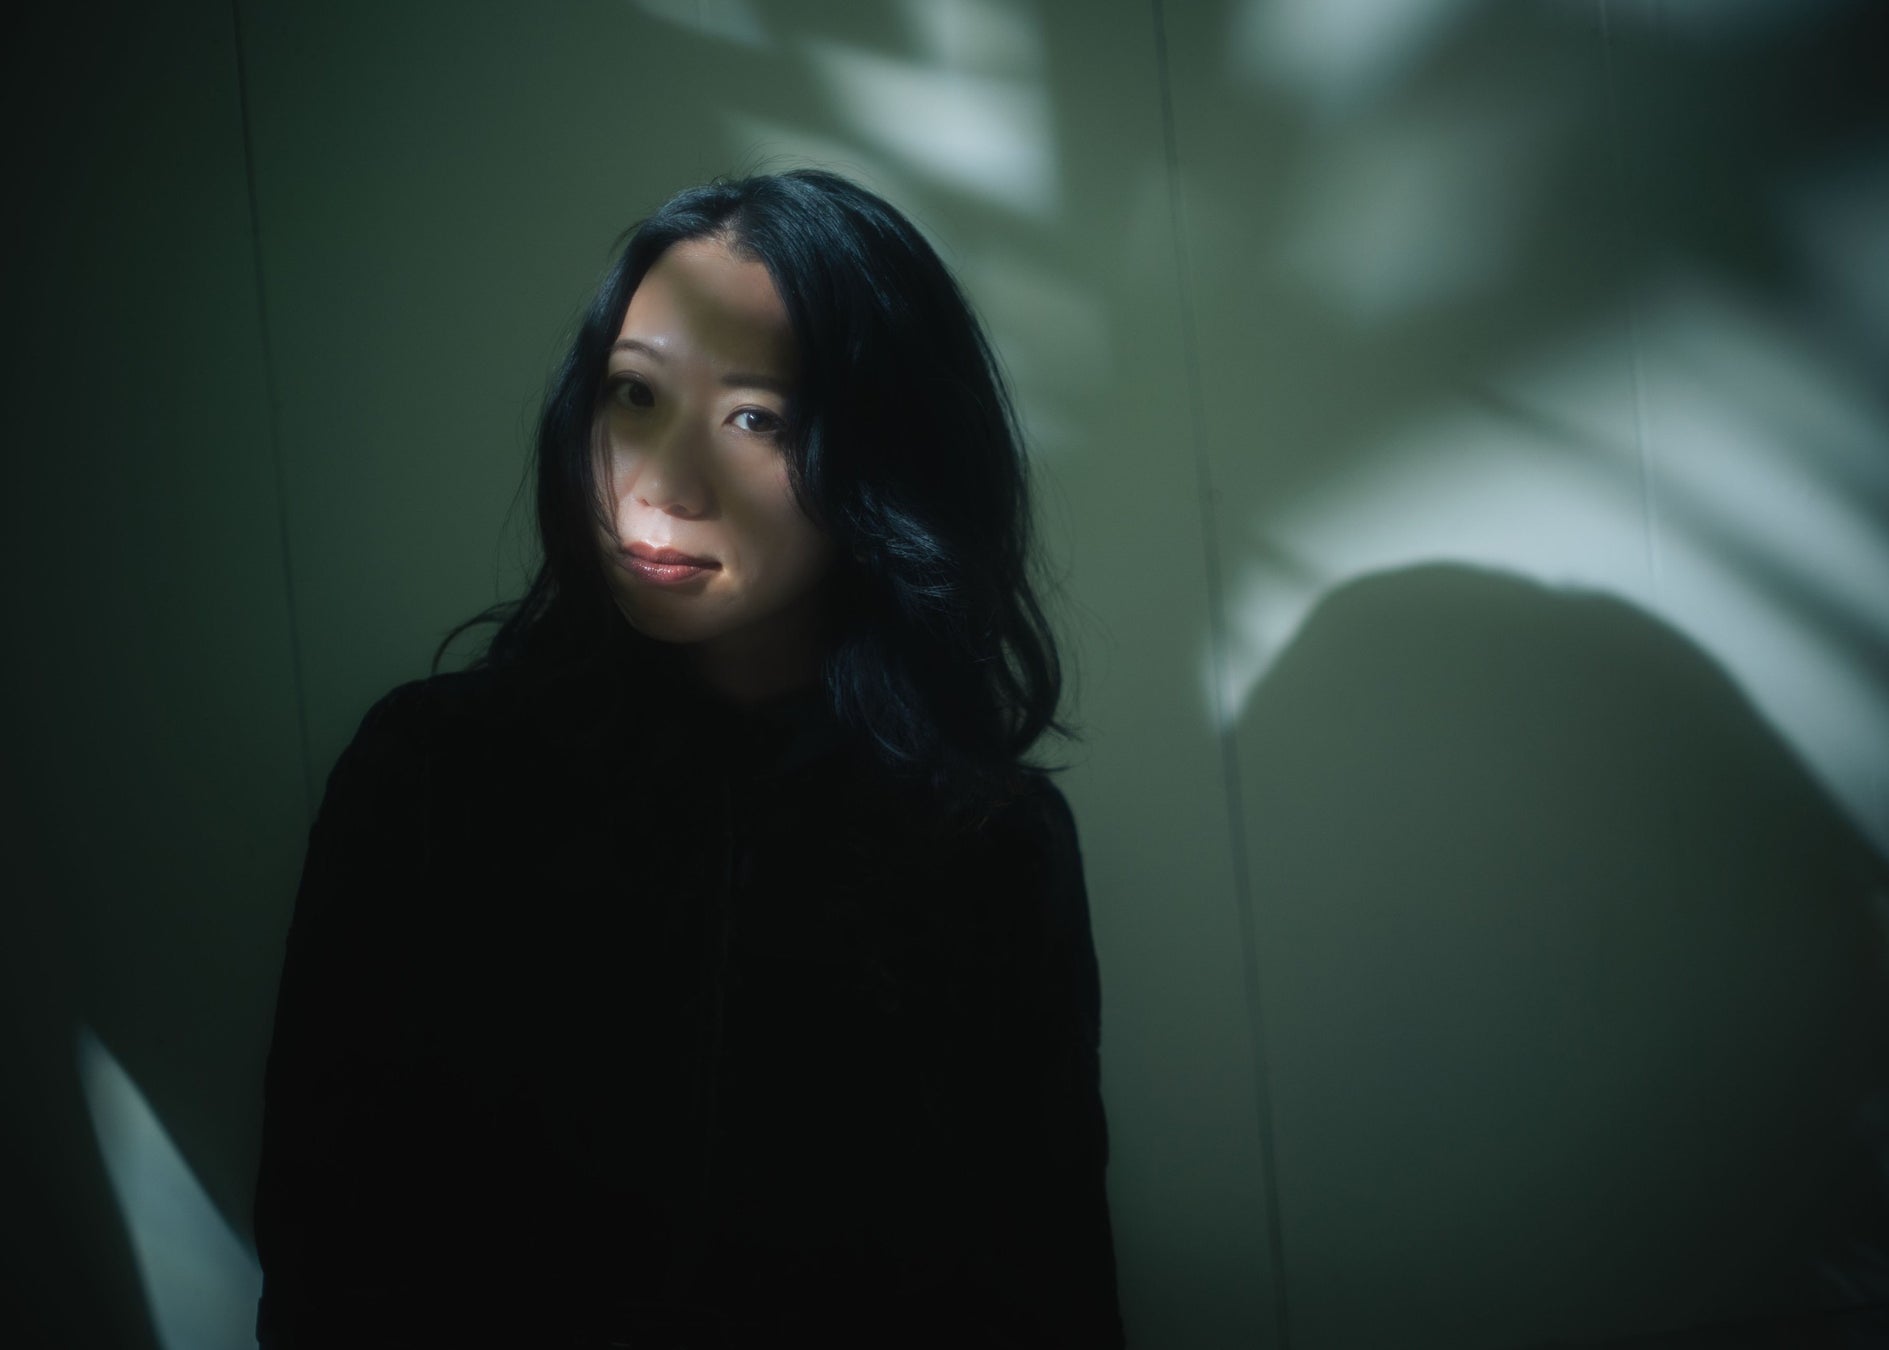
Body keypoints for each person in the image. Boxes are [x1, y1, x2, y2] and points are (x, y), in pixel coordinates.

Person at [250, 169, 1125, 1349]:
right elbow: (326, 1257)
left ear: (887, 453)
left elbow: (1044, 1289)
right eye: (633, 394)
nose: (660, 484)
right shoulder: (430, 778)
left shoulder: (985, 845)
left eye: (756, 418)